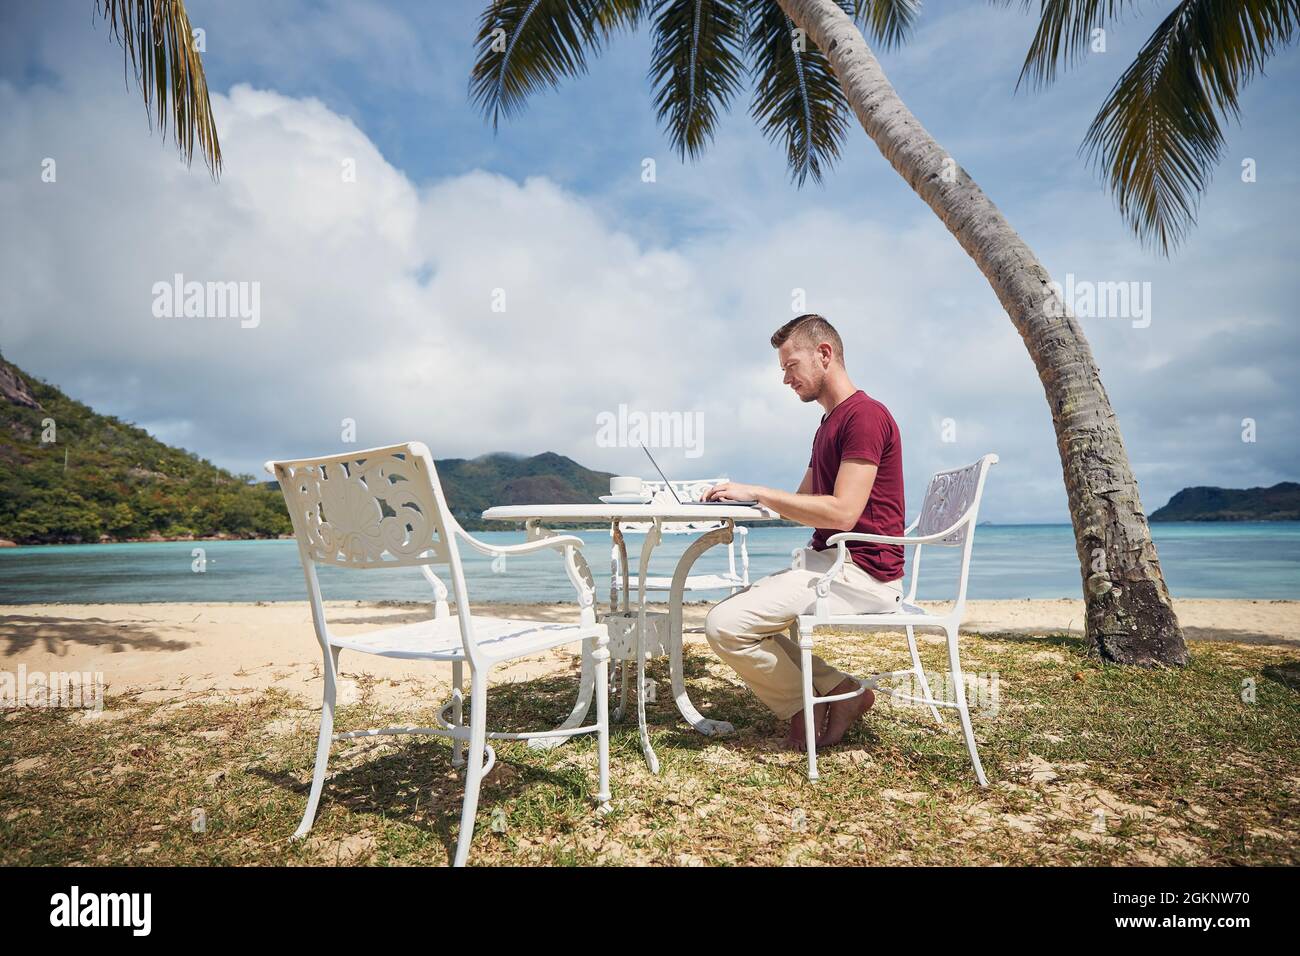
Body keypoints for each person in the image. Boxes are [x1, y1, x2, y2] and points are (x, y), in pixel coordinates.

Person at [702, 314, 906, 749]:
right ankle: (841, 691)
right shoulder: (829, 423)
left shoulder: (865, 417)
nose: (786, 379)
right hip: (830, 565)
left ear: (824, 354)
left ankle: (803, 703)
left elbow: (842, 513)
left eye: (791, 366)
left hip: (862, 574)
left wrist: (758, 491)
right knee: (744, 615)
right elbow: (804, 503)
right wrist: (744, 498)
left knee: (724, 625)